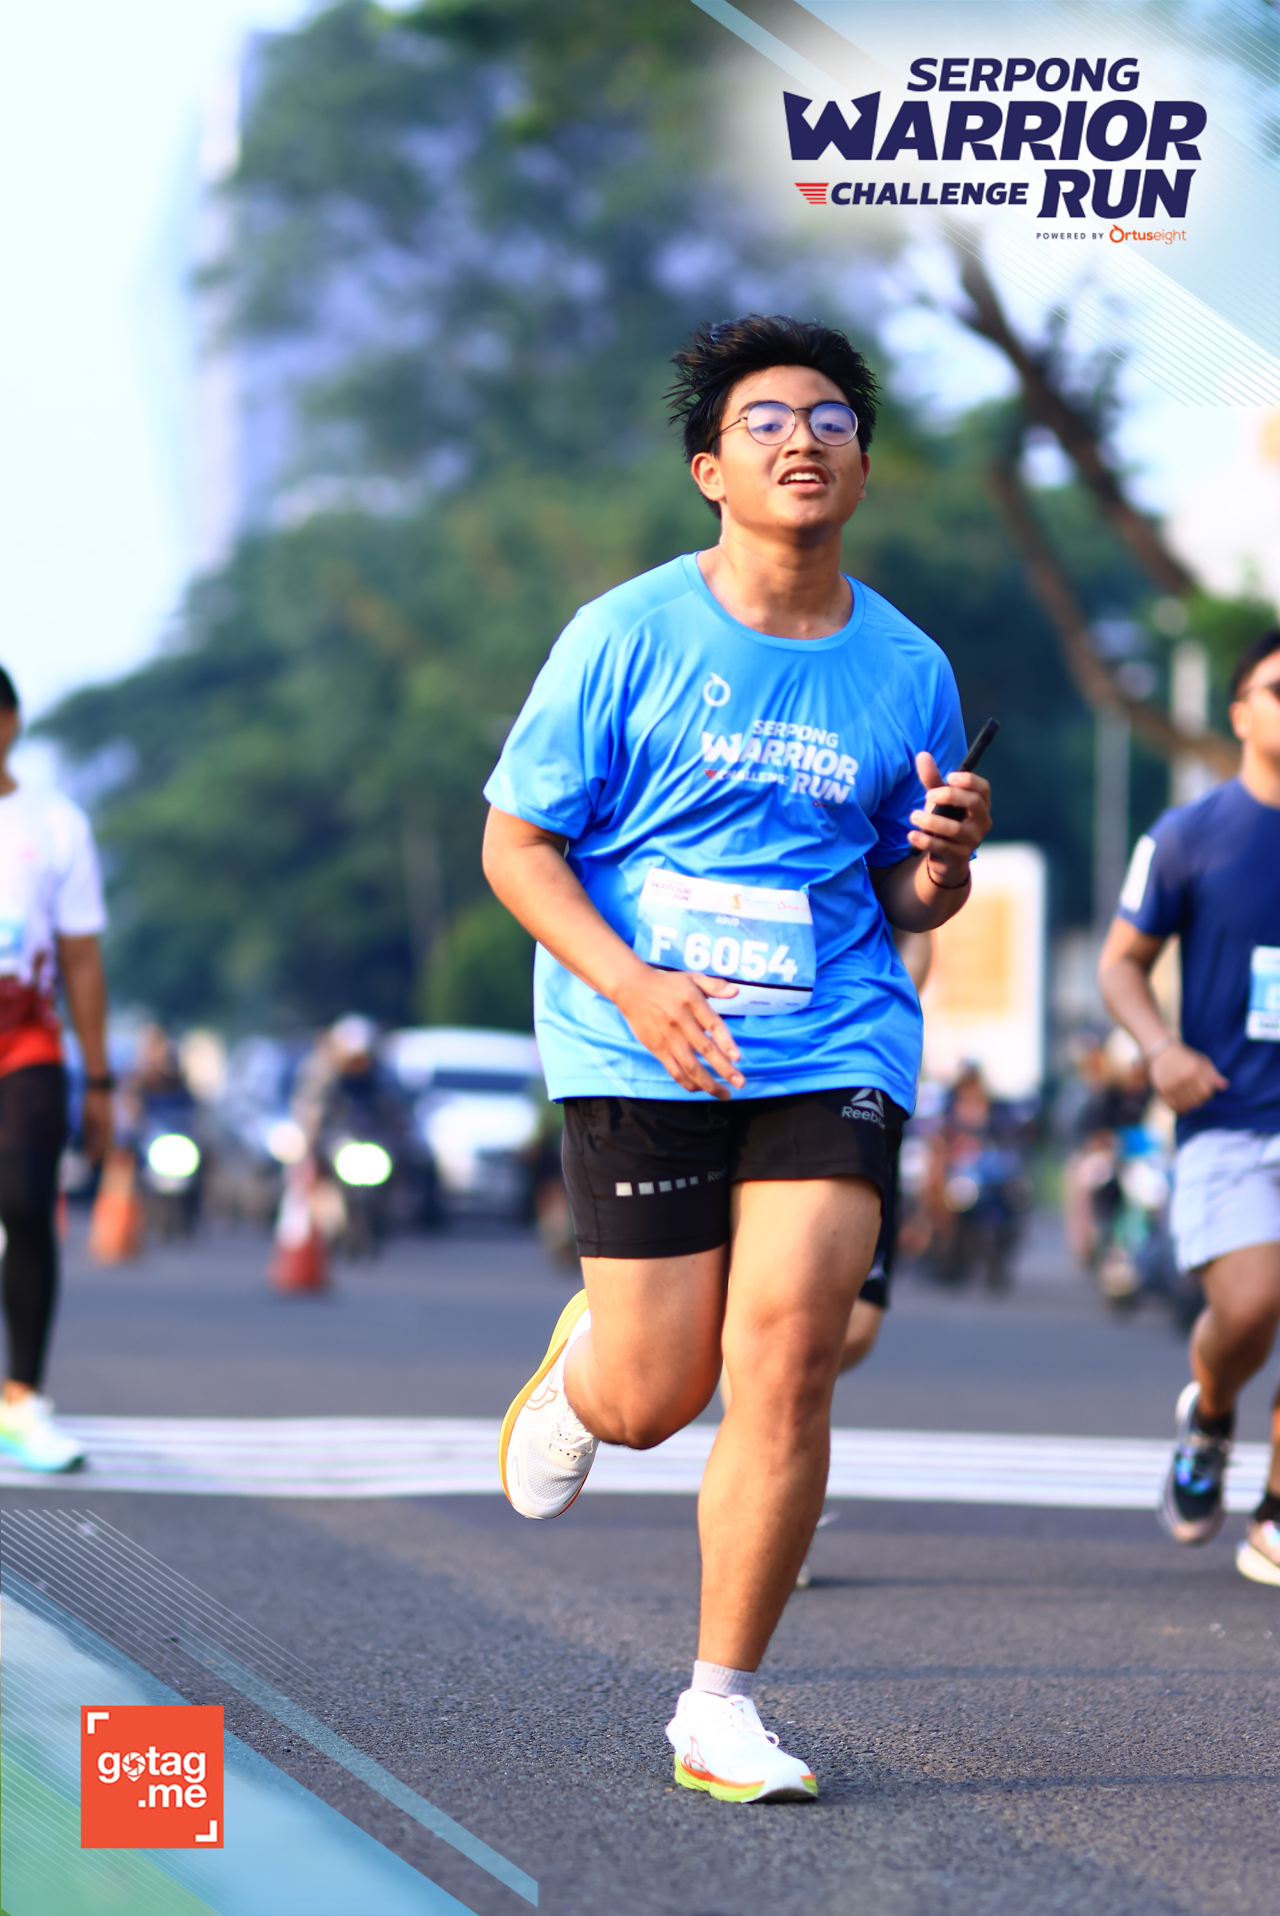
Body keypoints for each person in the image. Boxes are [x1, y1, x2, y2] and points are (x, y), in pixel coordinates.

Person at [482, 315, 991, 1801]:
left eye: (831, 419)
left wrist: (943, 865)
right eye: (764, 421)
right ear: (710, 469)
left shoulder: (907, 665)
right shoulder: (625, 634)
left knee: (788, 1358)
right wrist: (634, 984)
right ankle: (586, 1373)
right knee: (657, 1395)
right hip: (641, 1036)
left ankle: (720, 1708)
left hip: (830, 1032)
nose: (801, 440)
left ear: (864, 466)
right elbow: (517, 846)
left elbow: (902, 893)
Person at [1099, 628, 1280, 1583]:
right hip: (1231, 1119)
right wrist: (1160, 1048)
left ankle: (1275, 1514)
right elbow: (1120, 964)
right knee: (1250, 1308)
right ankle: (1210, 1415)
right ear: (1241, 712)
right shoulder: (1189, 835)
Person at [0, 666, 111, 1471]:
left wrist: (99, 1079)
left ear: (11, 721)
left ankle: (23, 1400)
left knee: (24, 1201)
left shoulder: (55, 823)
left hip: (26, 1041)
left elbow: (80, 958)